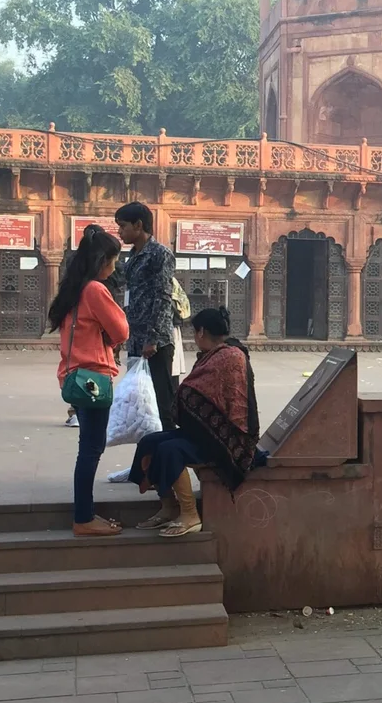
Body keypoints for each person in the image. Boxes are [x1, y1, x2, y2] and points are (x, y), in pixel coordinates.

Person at [127, 306, 259, 539]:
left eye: (195, 333)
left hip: (227, 439)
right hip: (205, 431)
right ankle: (169, 507)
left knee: (170, 450)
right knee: (149, 442)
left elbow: (198, 393)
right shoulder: (215, 354)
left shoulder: (231, 356)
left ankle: (190, 515)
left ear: (201, 332)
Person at [50, 225, 129, 536]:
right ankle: (84, 517)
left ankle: (85, 514)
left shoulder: (73, 289)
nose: (114, 267)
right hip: (94, 378)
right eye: (113, 260)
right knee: (91, 448)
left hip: (75, 376)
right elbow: (122, 330)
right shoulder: (95, 289)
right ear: (102, 261)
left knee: (88, 446)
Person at [114, 202, 177, 430]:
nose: (120, 233)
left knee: (162, 405)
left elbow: (163, 297)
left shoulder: (160, 254)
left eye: (122, 226)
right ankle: (148, 458)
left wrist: (153, 338)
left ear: (138, 225)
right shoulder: (132, 257)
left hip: (155, 343)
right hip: (136, 339)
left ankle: (172, 462)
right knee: (140, 405)